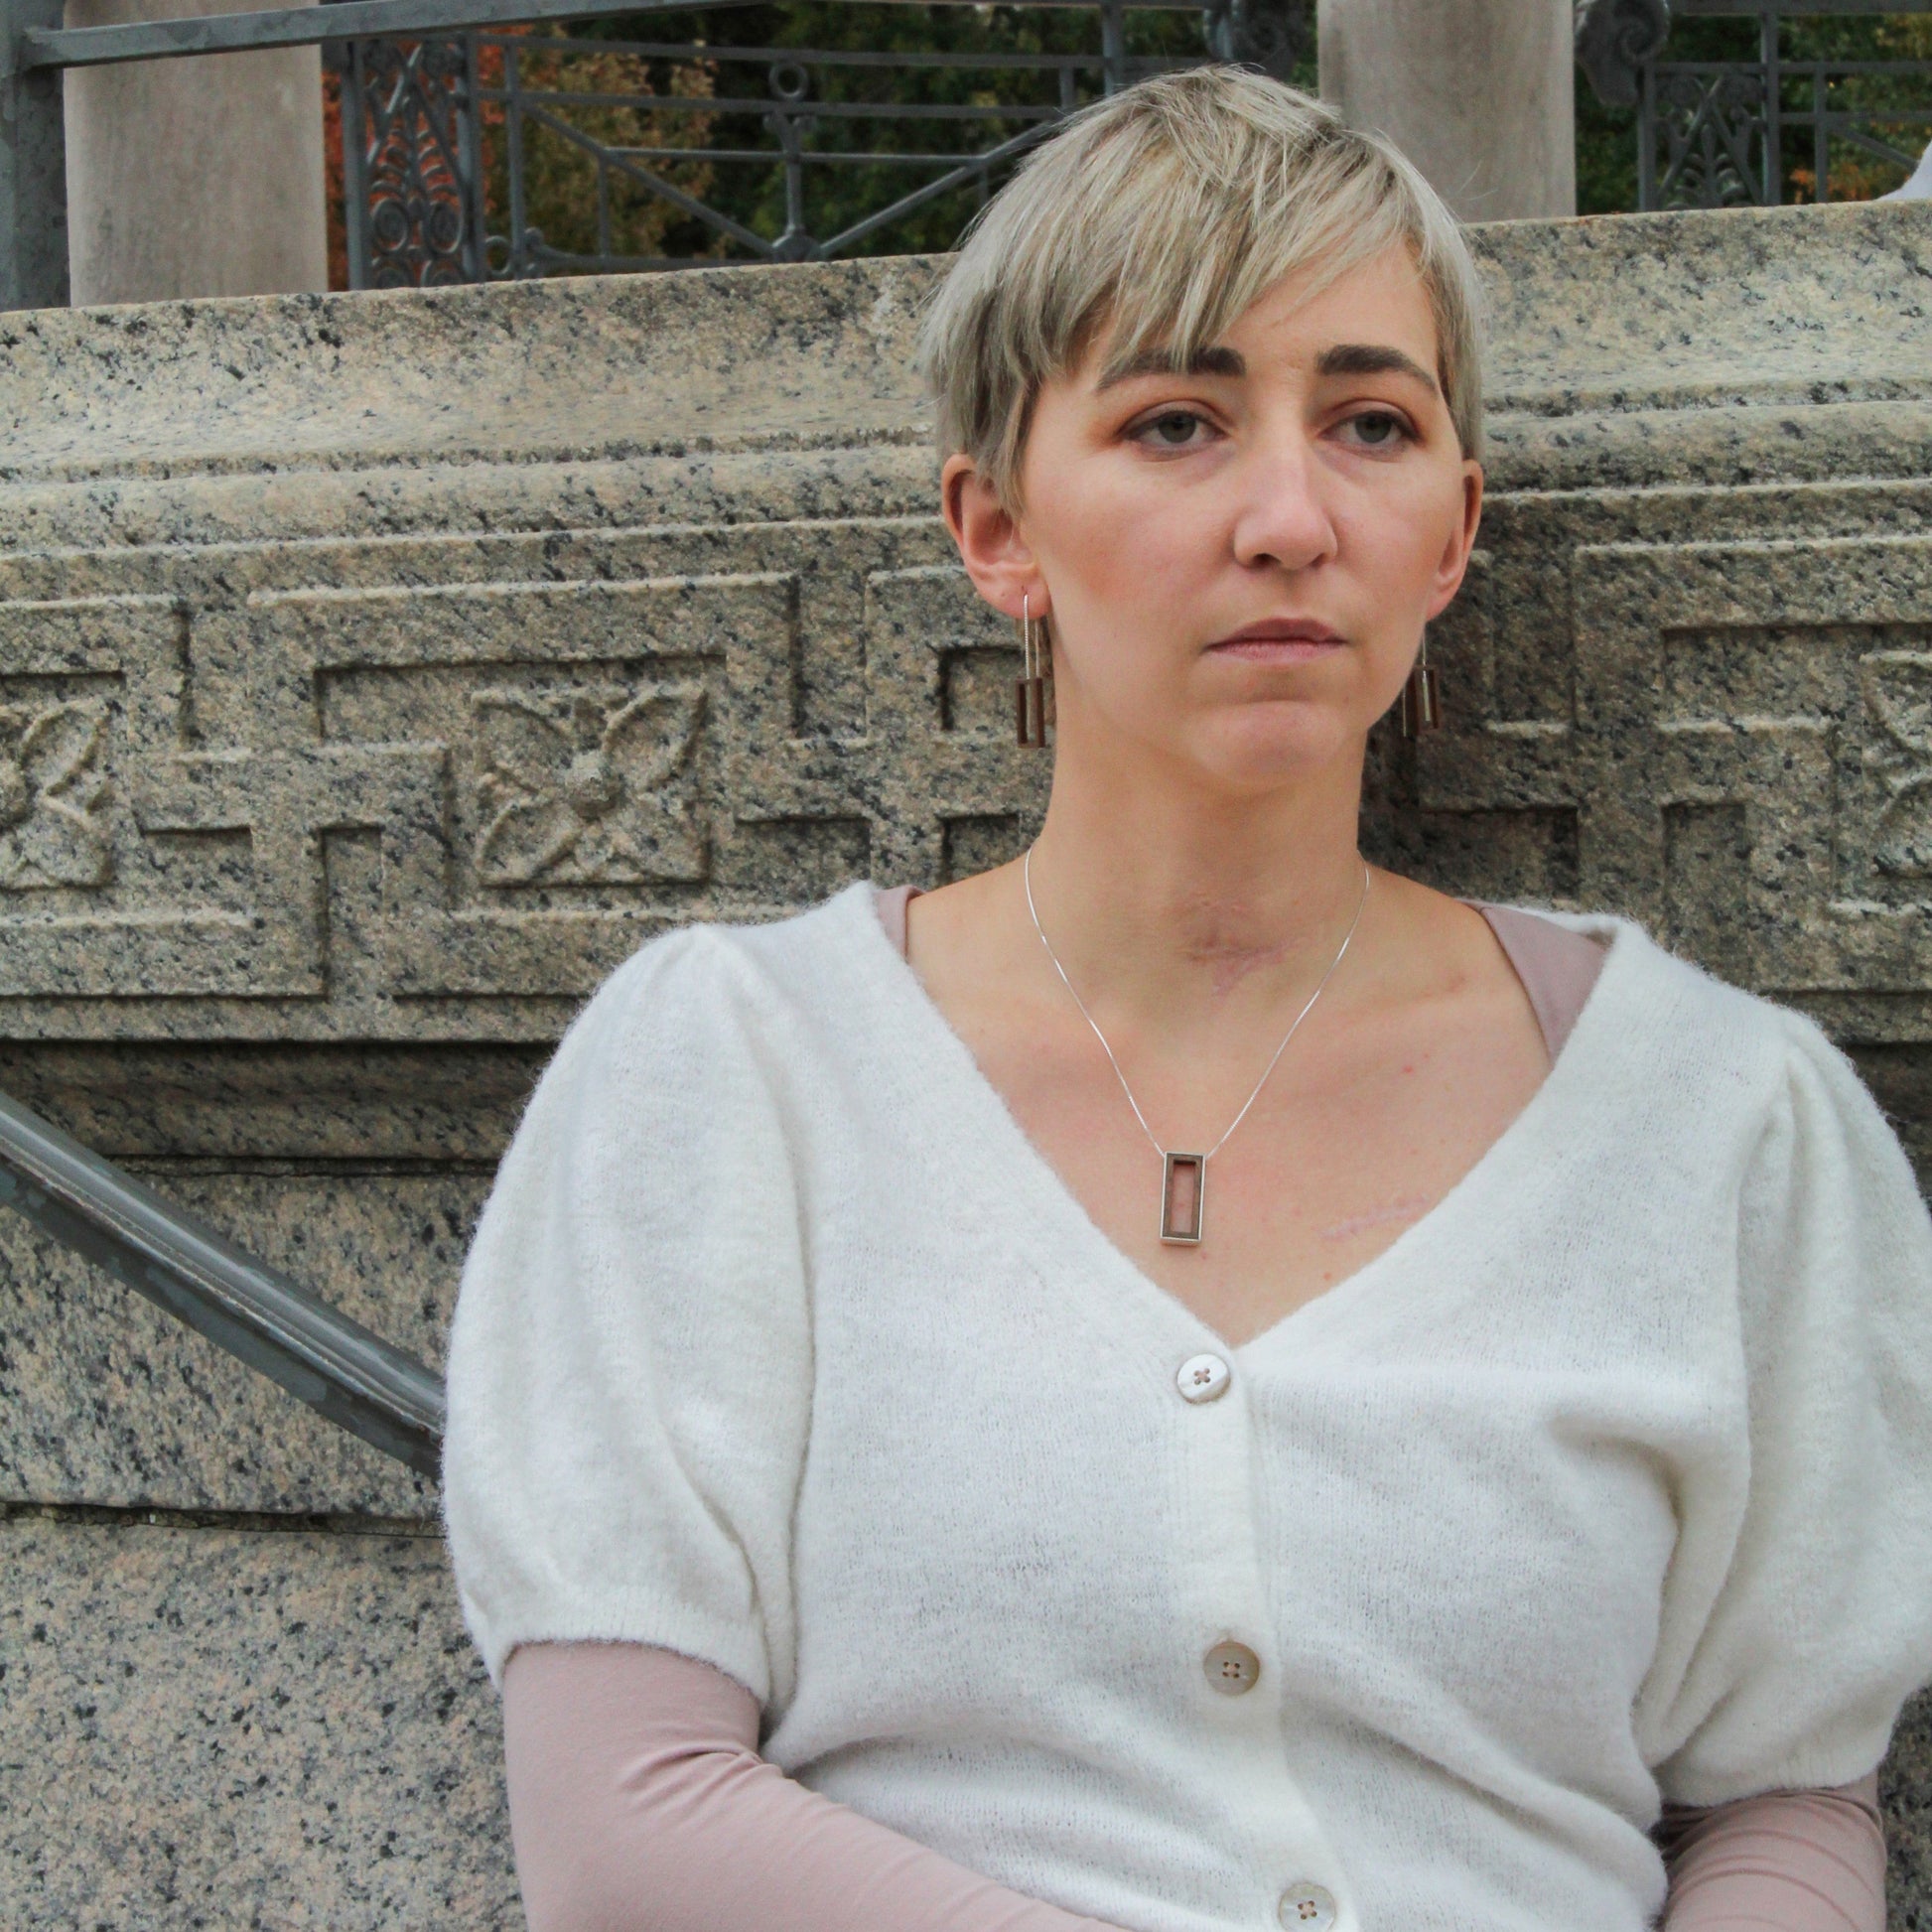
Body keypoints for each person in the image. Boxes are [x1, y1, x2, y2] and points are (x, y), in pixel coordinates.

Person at [442, 69, 1932, 1932]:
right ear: (995, 529)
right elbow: (623, 1816)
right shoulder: (730, 1072)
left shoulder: (1725, 1118)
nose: (1291, 516)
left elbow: (1783, 1809)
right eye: (1174, 422)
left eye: (1372, 422)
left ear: (1454, 529)